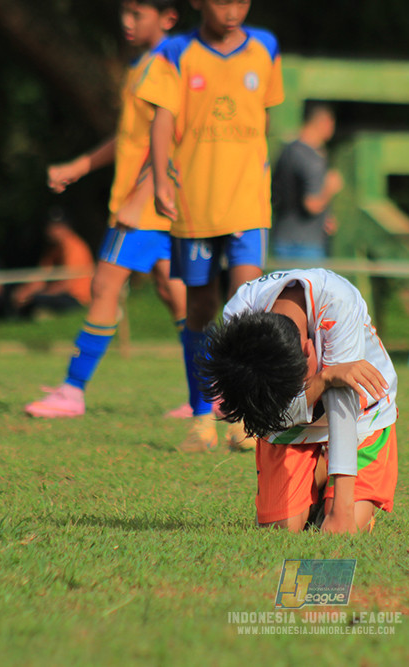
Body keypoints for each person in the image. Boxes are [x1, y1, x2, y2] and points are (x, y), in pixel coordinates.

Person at [25, 0, 190, 420]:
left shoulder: (168, 64)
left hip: (148, 205)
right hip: (159, 205)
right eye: (125, 12)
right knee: (176, 295)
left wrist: (139, 198)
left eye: (138, 14)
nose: (126, 22)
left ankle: (72, 390)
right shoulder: (141, 66)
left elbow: (172, 139)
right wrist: (79, 166)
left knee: (103, 287)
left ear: (167, 17)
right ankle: (212, 395)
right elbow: (130, 138)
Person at [144, 0, 284, 451]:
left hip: (247, 202)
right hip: (196, 203)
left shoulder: (265, 47)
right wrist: (162, 178)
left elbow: (265, 114)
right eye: (222, 0)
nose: (233, 9)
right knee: (201, 310)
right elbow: (162, 118)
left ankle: (243, 419)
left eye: (241, 0)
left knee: (249, 306)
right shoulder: (176, 52)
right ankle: (201, 415)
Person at [198, 269, 398, 534]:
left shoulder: (337, 302)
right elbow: (266, 414)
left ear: (308, 350)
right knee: (282, 529)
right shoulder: (239, 318)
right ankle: (318, 477)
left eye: (298, 386)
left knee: (344, 525)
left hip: (362, 415)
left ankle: (331, 484)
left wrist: (342, 511)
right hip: (284, 424)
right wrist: (323, 379)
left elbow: (343, 404)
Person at [271, 103, 344, 261]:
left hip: (282, 237)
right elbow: (312, 204)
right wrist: (330, 188)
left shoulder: (288, 150)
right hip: (306, 246)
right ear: (325, 123)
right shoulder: (313, 159)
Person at [10, 212, 95, 318]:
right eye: (49, 226)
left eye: (56, 227)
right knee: (20, 298)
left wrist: (39, 294)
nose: (50, 231)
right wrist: (24, 291)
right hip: (60, 295)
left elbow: (66, 284)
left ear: (66, 227)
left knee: (35, 301)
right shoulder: (55, 248)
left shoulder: (74, 247)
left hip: (77, 299)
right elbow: (41, 276)